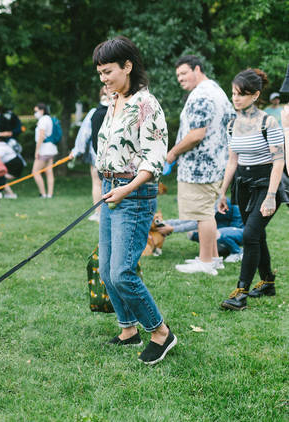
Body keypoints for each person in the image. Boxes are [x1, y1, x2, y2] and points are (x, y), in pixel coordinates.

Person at [93, 36, 176, 364]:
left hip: (134, 193)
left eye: (109, 71)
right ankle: (128, 329)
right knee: (105, 270)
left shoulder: (146, 103)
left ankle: (161, 332)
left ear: (128, 66)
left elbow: (155, 159)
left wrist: (126, 189)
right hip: (111, 190)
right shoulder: (113, 102)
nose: (104, 78)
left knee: (122, 272)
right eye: (100, 73)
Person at [217, 69, 287, 311]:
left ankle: (241, 292)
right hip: (243, 186)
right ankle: (267, 281)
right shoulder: (232, 124)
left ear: (255, 95)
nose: (235, 98)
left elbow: (279, 160)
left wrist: (270, 195)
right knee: (257, 235)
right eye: (233, 93)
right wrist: (222, 192)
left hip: (267, 186)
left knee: (249, 236)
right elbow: (232, 162)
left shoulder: (269, 122)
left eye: (241, 94)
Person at [168, 55, 235, 276]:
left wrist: (172, 153)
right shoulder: (217, 91)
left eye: (184, 73)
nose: (180, 78)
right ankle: (213, 258)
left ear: (197, 69)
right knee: (207, 213)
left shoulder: (201, 95)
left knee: (202, 214)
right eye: (178, 75)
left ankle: (205, 262)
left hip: (200, 168)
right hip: (216, 164)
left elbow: (197, 134)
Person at [157, 198, 244, 262]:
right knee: (192, 234)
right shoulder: (204, 201)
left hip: (239, 230)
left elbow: (196, 223)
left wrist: (172, 229)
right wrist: (165, 223)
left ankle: (237, 252)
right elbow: (190, 219)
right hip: (226, 228)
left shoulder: (215, 201)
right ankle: (222, 250)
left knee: (214, 232)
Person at [70, 86, 110, 221]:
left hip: (97, 154)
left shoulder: (95, 112)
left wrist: (76, 151)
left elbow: (84, 134)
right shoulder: (119, 109)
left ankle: (99, 213)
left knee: (97, 183)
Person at [32, 103, 57, 198]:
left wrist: (36, 151)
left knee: (35, 171)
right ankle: (50, 194)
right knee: (49, 172)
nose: (35, 113)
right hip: (51, 149)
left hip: (43, 149)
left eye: (36, 111)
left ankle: (43, 193)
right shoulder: (49, 119)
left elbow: (41, 136)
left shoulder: (42, 120)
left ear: (41, 110)